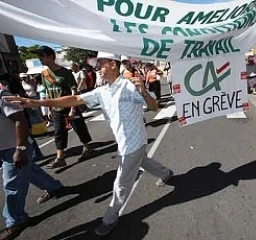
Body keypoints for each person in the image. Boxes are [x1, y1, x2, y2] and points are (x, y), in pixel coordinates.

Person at [3, 51, 174, 237]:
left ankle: (110, 218)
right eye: (96, 64)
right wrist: (36, 102)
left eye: (100, 63)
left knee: (121, 184)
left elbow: (154, 106)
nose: (96, 68)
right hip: (128, 143)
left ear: (113, 65)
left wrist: (143, 92)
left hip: (132, 144)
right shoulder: (102, 91)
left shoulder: (129, 85)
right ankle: (166, 173)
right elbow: (74, 99)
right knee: (143, 161)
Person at [0, 88, 63, 240]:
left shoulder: (3, 95)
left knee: (12, 185)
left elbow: (20, 119)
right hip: (4, 148)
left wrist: (20, 149)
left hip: (14, 147)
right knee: (30, 172)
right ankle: (54, 187)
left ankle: (16, 220)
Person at [31, 46, 93, 169]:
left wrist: (73, 109)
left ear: (50, 56)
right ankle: (60, 158)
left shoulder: (65, 72)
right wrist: (49, 107)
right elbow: (48, 91)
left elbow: (74, 90)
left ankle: (87, 147)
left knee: (79, 127)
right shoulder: (44, 74)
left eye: (41, 56)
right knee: (59, 132)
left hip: (68, 105)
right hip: (56, 108)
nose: (39, 59)